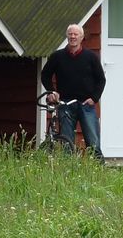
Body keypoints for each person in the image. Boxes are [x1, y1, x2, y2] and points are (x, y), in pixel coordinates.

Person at [41, 23, 106, 160]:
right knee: (66, 142)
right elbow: (45, 75)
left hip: (86, 104)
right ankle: (68, 169)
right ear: (67, 36)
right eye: (70, 34)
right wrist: (52, 91)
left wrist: (94, 98)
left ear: (81, 37)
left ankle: (98, 168)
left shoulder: (91, 57)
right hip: (65, 103)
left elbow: (101, 80)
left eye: (76, 34)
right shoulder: (57, 56)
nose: (73, 36)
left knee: (93, 140)